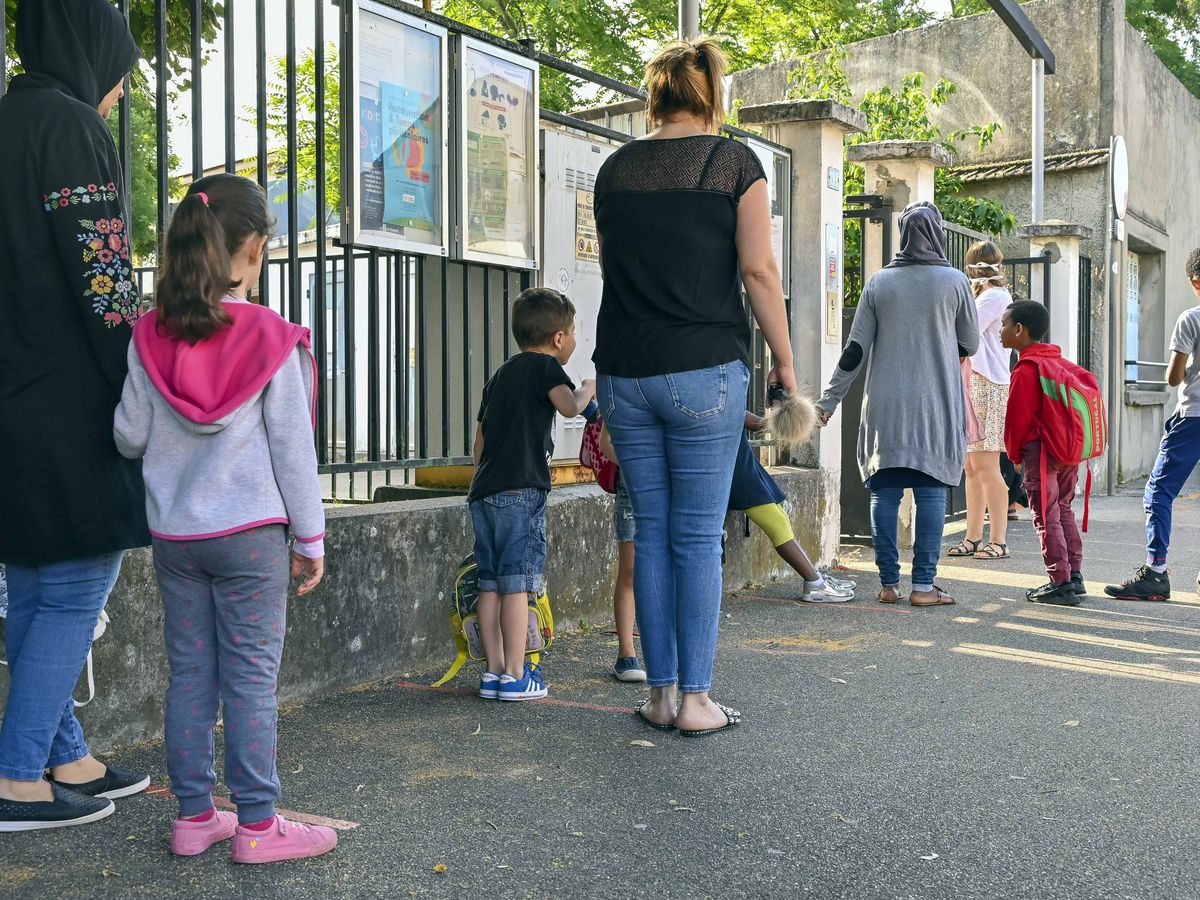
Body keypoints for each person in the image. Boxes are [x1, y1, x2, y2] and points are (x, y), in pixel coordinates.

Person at [114, 174, 336, 862]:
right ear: (251, 252)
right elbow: (293, 451)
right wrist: (311, 537)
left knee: (190, 677)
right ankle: (259, 826)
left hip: (178, 539)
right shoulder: (273, 339)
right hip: (250, 540)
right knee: (248, 680)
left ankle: (192, 816)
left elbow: (128, 435)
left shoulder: (149, 337)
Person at [593, 37, 796, 735]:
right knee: (697, 539)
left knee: (650, 536)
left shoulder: (616, 169)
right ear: (713, 93)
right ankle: (697, 701)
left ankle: (659, 694)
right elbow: (759, 273)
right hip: (704, 367)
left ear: (657, 94)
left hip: (624, 370)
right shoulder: (733, 164)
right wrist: (786, 366)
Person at [0, 0, 151, 831]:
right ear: (92, 52)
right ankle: (17, 775)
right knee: (80, 580)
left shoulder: (7, 120)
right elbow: (105, 280)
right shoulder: (70, 128)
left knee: (33, 578)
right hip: (68, 400)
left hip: (11, 396)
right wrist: (145, 375)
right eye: (122, 69)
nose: (122, 92)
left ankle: (65, 754)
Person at [816, 201, 979, 607]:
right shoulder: (955, 281)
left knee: (884, 493)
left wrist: (829, 399)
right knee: (929, 494)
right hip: (935, 404)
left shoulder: (877, 283)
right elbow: (970, 343)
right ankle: (924, 587)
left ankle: (889, 584)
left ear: (903, 234)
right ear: (939, 233)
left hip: (884, 405)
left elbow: (855, 349)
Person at [469, 288, 595, 702]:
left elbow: (479, 444)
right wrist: (590, 389)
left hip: (484, 492)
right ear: (558, 337)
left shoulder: (499, 375)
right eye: (573, 332)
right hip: (521, 490)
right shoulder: (546, 368)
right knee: (517, 585)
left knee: (489, 583)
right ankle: (517, 674)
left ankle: (492, 672)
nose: (574, 340)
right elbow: (570, 408)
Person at [1104, 248, 1200, 602]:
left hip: (1194, 418)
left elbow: (1173, 378)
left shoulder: (1192, 318)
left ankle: (1156, 571)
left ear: (1195, 282)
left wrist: (1183, 368)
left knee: (1158, 493)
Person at [1000, 300, 1084, 606]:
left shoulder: (1026, 368)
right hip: (1068, 451)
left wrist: (1014, 456)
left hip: (1040, 451)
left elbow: (1016, 419)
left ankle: (1059, 582)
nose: (1000, 330)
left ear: (1019, 330)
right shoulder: (1059, 363)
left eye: (1004, 324)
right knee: (1063, 510)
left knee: (1045, 516)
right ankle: (1074, 575)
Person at [948, 241, 1014, 561]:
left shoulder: (995, 297)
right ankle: (973, 537)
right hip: (975, 383)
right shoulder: (987, 296)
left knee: (987, 467)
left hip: (987, 384)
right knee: (971, 468)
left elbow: (963, 331)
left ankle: (998, 540)